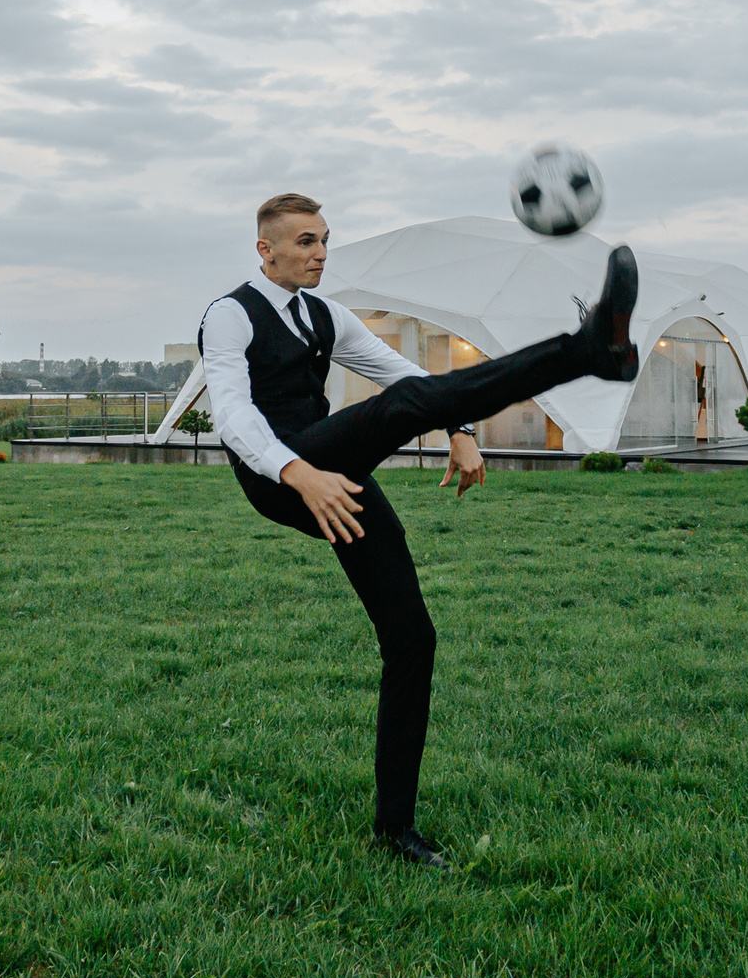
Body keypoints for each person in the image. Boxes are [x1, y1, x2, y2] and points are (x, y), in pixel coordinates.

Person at [198, 194, 640, 867]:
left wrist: (459, 427)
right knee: (402, 407)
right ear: (267, 249)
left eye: (325, 240)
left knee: (412, 640)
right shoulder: (230, 314)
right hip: (278, 474)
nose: (320, 253)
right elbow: (232, 414)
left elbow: (401, 371)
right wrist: (297, 473)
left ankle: (395, 828)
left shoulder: (325, 314)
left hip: (333, 468)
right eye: (306, 241)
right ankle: (587, 350)